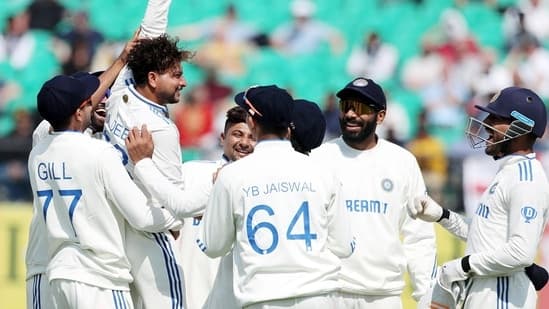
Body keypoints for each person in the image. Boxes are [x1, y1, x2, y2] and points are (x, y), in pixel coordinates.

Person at [27, 72, 180, 309]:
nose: (99, 101)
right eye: (90, 100)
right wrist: (179, 212)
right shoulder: (99, 153)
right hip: (98, 278)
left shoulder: (38, 152)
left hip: (59, 272)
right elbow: (141, 217)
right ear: (79, 111)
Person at [195, 85, 354, 308]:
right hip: (319, 297)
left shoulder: (232, 175)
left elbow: (212, 246)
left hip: (263, 298)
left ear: (251, 121)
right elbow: (344, 247)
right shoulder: (323, 173)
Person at [25, 30, 138, 309]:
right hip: (49, 265)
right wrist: (122, 59)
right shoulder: (47, 137)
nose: (101, 99)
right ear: (78, 107)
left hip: (65, 270)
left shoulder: (67, 144)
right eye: (93, 96)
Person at [408, 86, 549, 308]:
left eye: (496, 119)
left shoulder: (526, 178)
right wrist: (442, 215)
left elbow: (521, 253)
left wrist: (461, 266)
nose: (487, 125)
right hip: (486, 294)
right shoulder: (507, 171)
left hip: (502, 297)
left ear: (521, 127)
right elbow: (485, 237)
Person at [310, 77, 437, 308]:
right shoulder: (320, 158)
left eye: (360, 109)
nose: (350, 114)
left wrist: (426, 295)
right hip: (330, 291)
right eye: (345, 106)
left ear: (380, 116)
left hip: (383, 295)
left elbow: (419, 236)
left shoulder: (401, 161)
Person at [103, 1, 194, 305]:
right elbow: (172, 201)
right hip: (148, 234)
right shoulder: (162, 131)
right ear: (153, 79)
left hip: (113, 229)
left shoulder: (122, 89)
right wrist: (177, 224)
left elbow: (151, 28)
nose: (183, 82)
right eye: (176, 75)